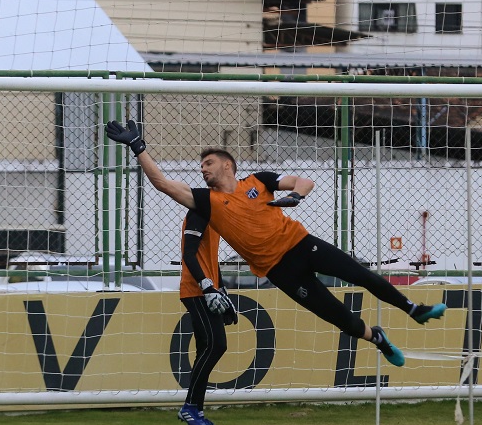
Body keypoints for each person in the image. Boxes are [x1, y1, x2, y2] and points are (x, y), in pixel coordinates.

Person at [106, 120, 447, 367]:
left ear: (228, 164)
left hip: (302, 244)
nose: (203, 170)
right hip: (280, 271)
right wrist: (138, 148)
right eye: (201, 166)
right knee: (338, 317)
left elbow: (303, 180)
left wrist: (296, 196)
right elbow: (162, 183)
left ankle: (413, 310)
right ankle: (378, 338)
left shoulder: (259, 181)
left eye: (208, 164)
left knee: (361, 275)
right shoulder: (206, 201)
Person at [178, 209, 237, 425]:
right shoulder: (198, 213)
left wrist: (221, 290)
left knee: (205, 348)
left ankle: (196, 413)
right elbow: (189, 254)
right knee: (216, 345)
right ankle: (190, 407)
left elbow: (210, 260)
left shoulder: (213, 214)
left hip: (206, 291)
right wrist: (206, 286)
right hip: (196, 292)